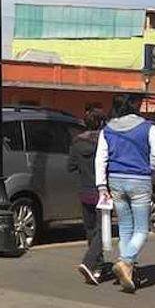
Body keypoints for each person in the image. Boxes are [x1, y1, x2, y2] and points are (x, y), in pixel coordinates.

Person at [94, 94, 155, 292]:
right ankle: (126, 262)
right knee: (142, 229)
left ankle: (126, 268)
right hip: (140, 181)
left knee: (125, 227)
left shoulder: (107, 129)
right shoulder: (147, 127)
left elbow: (100, 159)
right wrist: (147, 168)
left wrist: (102, 186)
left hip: (115, 181)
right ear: (135, 107)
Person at [68, 108, 108, 285]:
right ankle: (89, 262)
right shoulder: (105, 142)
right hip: (102, 190)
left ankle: (97, 267)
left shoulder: (76, 142)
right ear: (101, 123)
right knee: (103, 229)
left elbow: (70, 166)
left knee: (91, 229)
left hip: (84, 191)